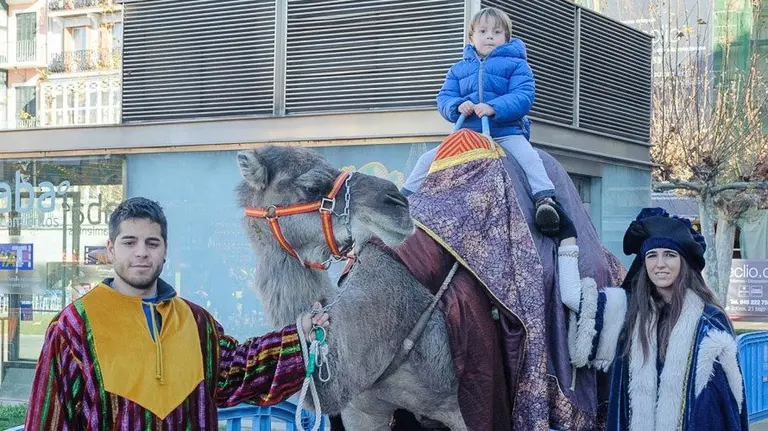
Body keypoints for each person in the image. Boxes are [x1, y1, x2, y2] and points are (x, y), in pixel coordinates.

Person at [24, 197, 330, 429]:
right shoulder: (75, 326)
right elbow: (49, 417)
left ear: (165, 249)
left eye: (151, 242)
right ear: (111, 248)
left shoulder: (195, 323)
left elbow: (238, 370)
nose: (141, 252)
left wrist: (297, 336)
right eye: (129, 242)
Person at [557, 207, 748, 430]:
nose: (660, 264)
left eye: (669, 255)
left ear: (683, 261)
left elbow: (725, 407)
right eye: (651, 255)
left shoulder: (709, 323)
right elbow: (573, 297)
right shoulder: (627, 310)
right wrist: (567, 238)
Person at [402, 6, 570, 237]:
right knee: (426, 160)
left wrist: (494, 107)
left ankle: (544, 200)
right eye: (483, 31)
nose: (489, 36)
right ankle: (403, 202)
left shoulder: (517, 65)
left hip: (506, 130)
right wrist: (457, 105)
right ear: (472, 37)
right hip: (467, 134)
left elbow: (524, 96)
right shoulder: (458, 69)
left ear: (506, 38)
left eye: (496, 32)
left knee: (529, 158)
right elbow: (444, 97)